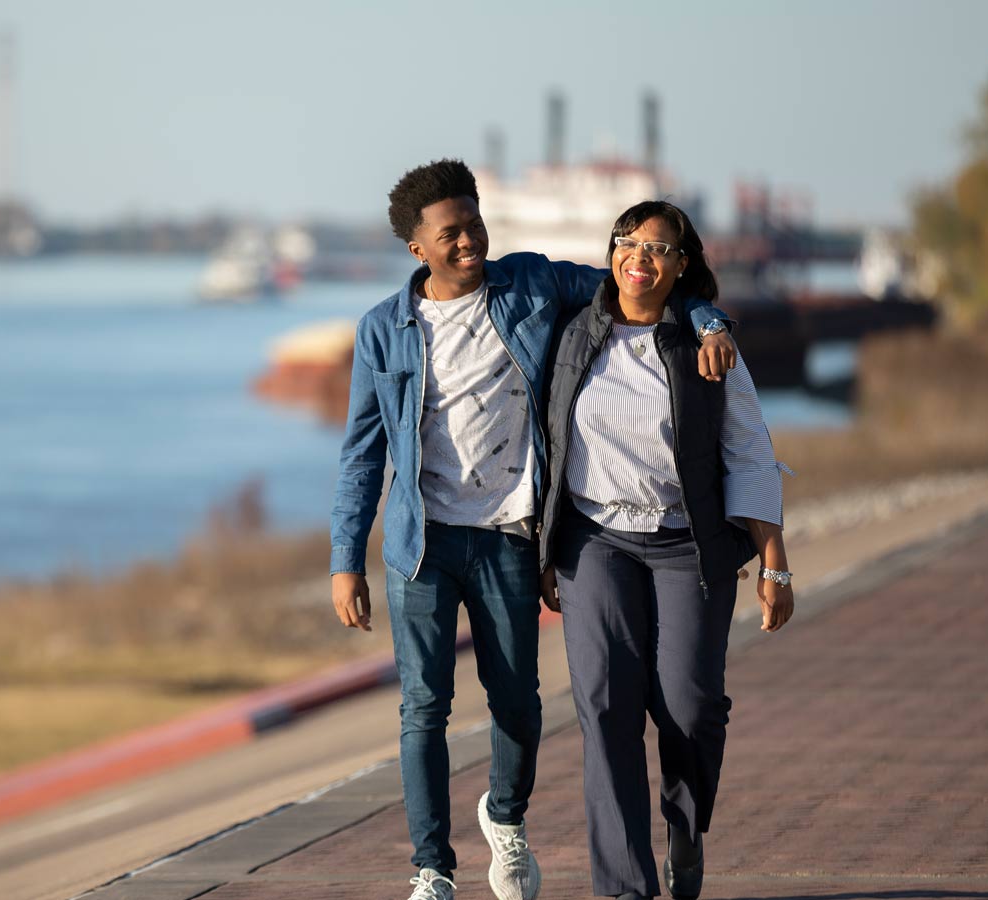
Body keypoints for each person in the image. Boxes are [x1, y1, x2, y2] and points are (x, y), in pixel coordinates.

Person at [329, 161, 737, 900]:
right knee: (424, 705)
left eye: (474, 225)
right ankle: (431, 869)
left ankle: (506, 822)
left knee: (517, 704)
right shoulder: (383, 330)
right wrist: (344, 559)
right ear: (417, 247)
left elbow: (634, 287)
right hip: (421, 544)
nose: (469, 243)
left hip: (510, 535)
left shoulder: (531, 285)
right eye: (450, 234)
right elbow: (362, 453)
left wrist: (708, 317)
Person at [539, 200, 794, 900]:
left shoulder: (706, 347)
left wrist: (774, 563)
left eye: (658, 248)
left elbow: (750, 454)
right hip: (595, 542)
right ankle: (626, 888)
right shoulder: (572, 335)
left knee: (691, 706)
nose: (638, 258)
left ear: (682, 266)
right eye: (627, 242)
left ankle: (685, 824)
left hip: (689, 544)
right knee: (606, 707)